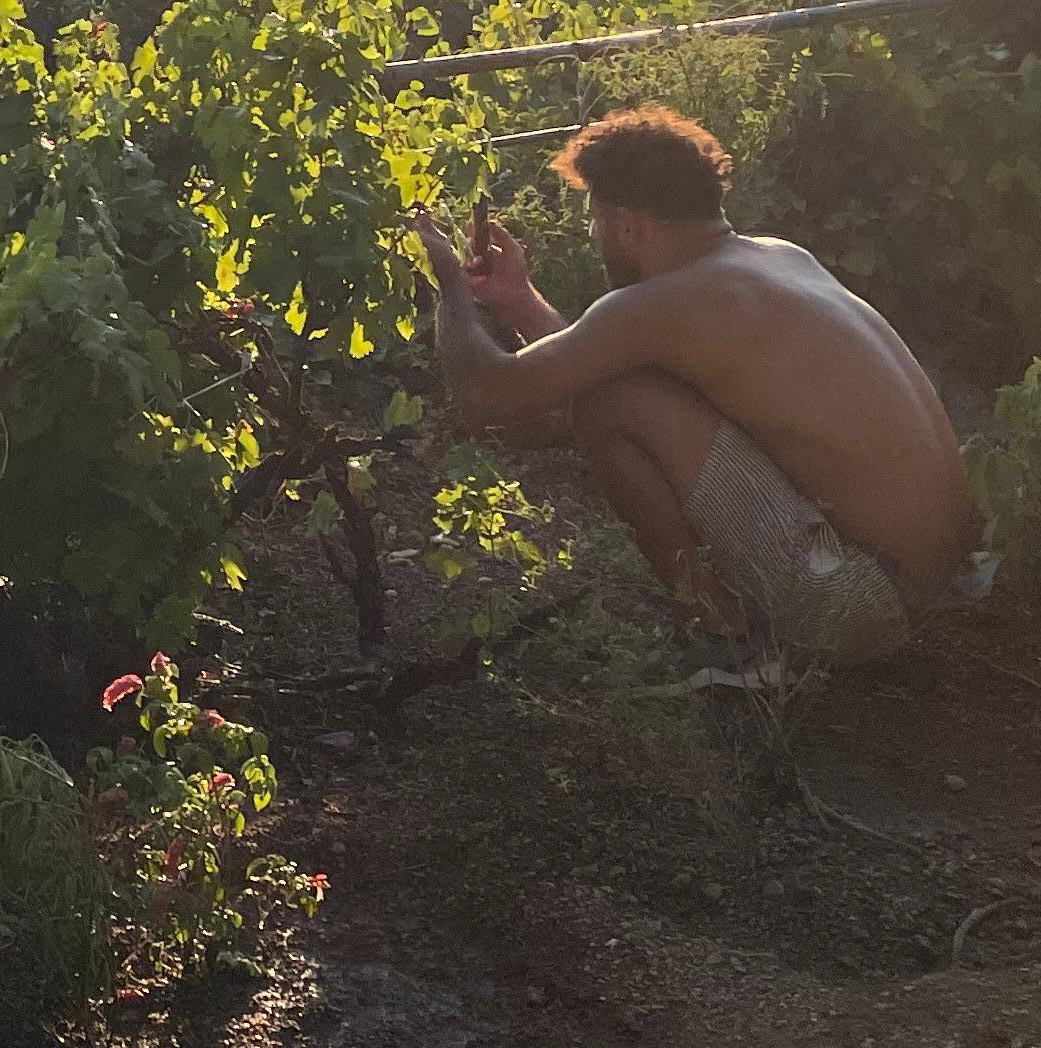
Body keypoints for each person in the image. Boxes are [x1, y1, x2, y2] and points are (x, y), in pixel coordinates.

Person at [413, 105, 984, 665]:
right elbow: (605, 363)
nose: (594, 234)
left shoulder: (672, 301)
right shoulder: (775, 258)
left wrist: (448, 284)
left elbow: (488, 396)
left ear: (628, 223)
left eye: (595, 218)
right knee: (619, 392)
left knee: (608, 402)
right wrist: (517, 300)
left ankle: (726, 643)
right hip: (925, 587)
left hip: (860, 604)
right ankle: (736, 630)